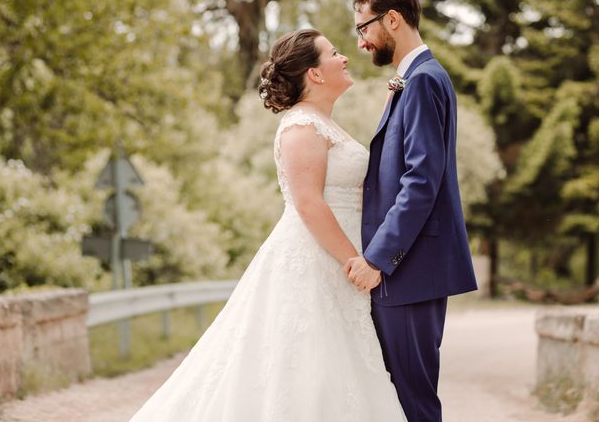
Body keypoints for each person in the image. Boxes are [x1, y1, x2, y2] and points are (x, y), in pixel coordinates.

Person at [129, 29, 406, 421]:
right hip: (316, 260)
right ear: (315, 73)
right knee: (301, 366)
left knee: (334, 369)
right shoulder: (301, 127)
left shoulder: (324, 124)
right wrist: (355, 261)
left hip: (336, 262)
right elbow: (308, 203)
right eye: (334, 53)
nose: (344, 58)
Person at [345, 0, 478, 421]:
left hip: (409, 269)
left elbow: (422, 181)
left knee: (413, 401)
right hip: (410, 270)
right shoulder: (414, 79)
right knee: (397, 399)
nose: (361, 42)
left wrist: (378, 259)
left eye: (363, 28)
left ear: (393, 20)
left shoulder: (422, 81)